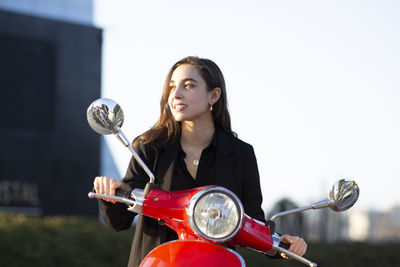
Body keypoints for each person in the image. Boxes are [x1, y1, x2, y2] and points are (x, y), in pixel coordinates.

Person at [94, 56, 307, 266]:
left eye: (188, 86)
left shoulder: (240, 154)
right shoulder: (149, 147)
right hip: (157, 262)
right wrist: (110, 193)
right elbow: (119, 222)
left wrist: (283, 244)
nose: (176, 94)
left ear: (213, 96)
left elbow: (251, 220)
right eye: (172, 87)